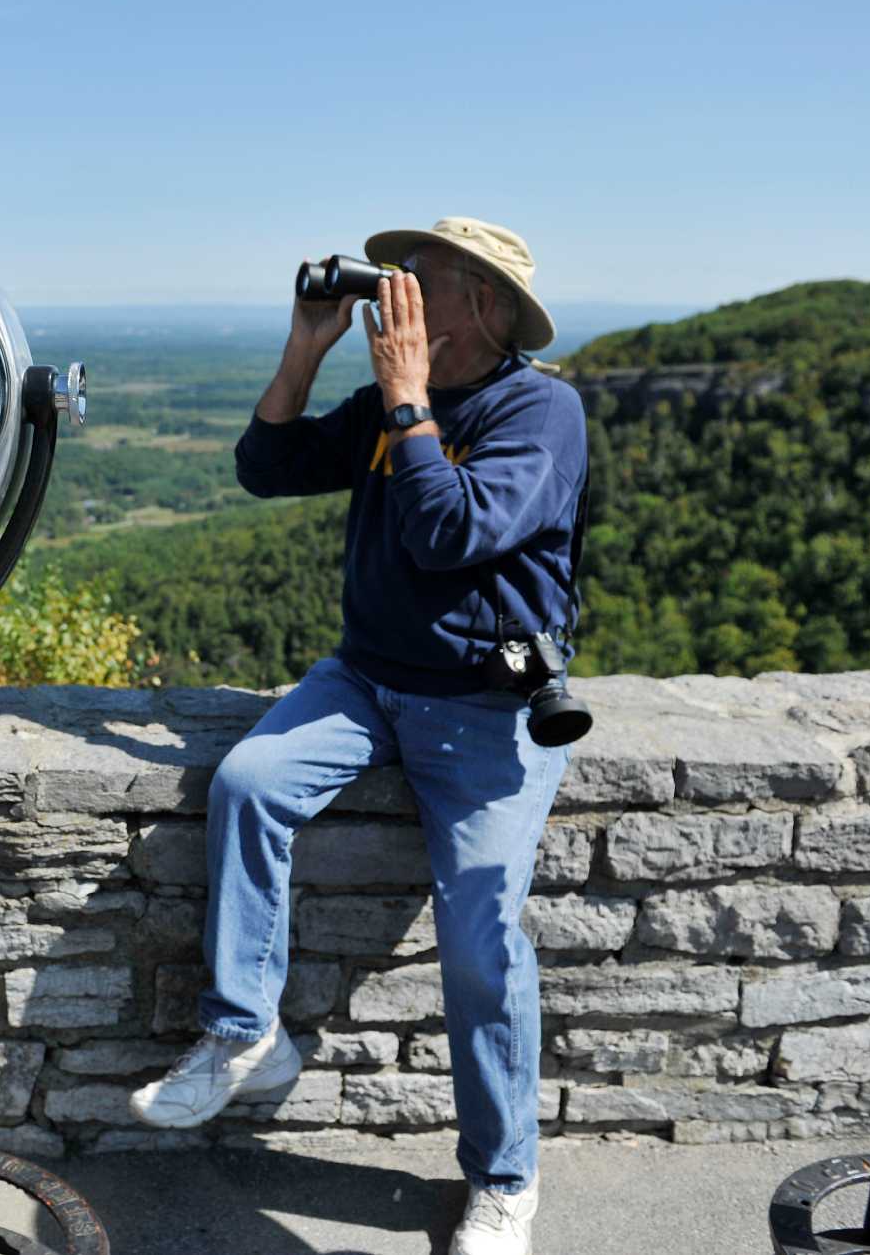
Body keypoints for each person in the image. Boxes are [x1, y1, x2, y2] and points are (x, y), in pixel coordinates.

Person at [128, 218, 588, 1255]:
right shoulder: (388, 400)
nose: (393, 293)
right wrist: (306, 343)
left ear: (483, 303)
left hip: (484, 707)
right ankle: (247, 1035)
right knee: (247, 782)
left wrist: (408, 397)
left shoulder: (539, 410)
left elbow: (448, 534)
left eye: (415, 278)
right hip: (367, 680)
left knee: (477, 942)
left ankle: (503, 1180)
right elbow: (265, 465)